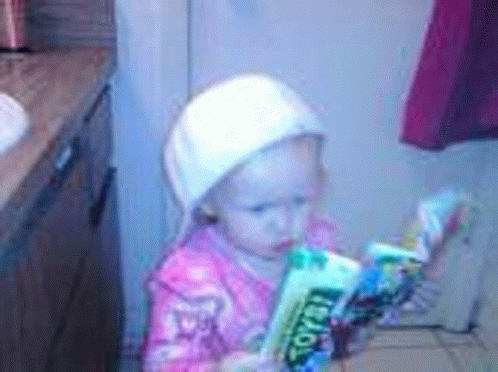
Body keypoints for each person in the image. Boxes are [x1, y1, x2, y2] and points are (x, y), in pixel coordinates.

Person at [140, 74, 441, 372]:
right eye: (259, 208)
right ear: (208, 202)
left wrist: (391, 299)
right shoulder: (191, 280)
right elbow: (162, 363)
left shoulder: (318, 241)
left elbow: (339, 328)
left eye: (300, 200)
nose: (285, 224)